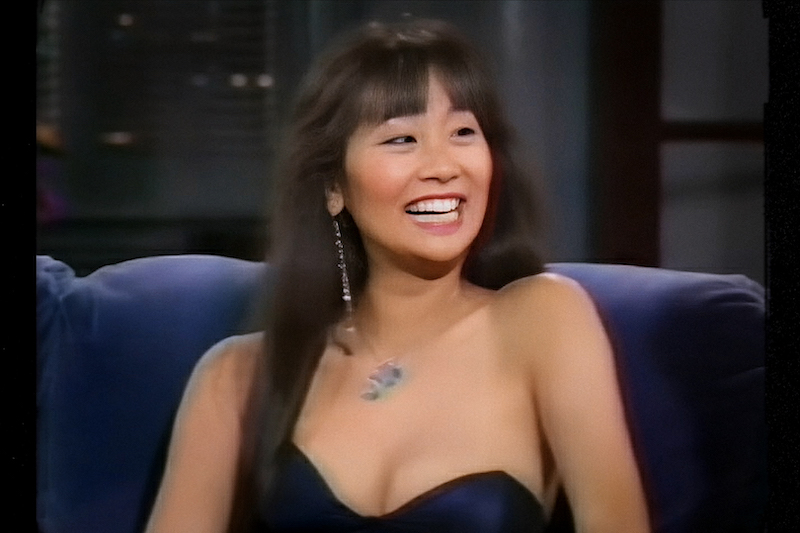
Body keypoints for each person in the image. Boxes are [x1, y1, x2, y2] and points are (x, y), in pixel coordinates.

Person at [145, 19, 650, 533]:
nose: (443, 166)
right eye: (402, 138)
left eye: (463, 133)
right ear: (334, 187)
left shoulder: (544, 319)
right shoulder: (237, 377)